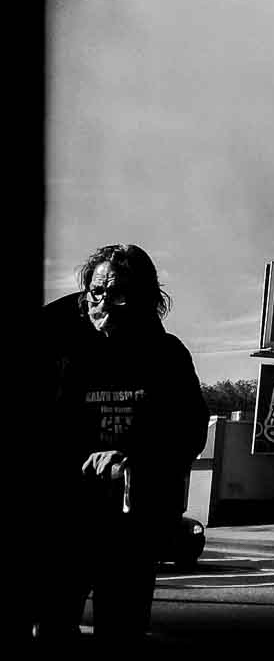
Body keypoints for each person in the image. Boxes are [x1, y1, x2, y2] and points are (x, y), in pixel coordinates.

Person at [34, 243, 210, 643]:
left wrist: (135, 456)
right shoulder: (58, 349)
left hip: (131, 528)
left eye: (119, 294)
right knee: (52, 626)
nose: (105, 304)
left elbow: (188, 430)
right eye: (97, 292)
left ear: (146, 299)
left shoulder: (167, 356)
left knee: (122, 629)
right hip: (63, 522)